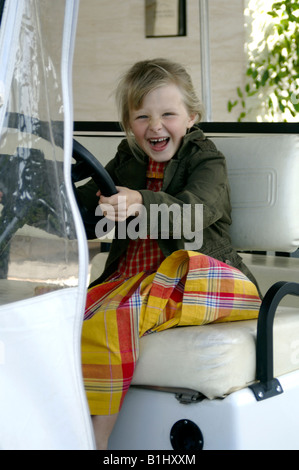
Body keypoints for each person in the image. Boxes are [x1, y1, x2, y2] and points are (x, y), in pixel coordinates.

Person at [78, 58, 261, 449]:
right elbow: (90, 200)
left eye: (168, 114)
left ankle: (96, 442)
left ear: (191, 117)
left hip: (209, 277)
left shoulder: (206, 160)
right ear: (129, 124)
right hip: (140, 285)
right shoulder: (127, 160)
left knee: (114, 316)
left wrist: (139, 202)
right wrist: (45, 195)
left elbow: (194, 214)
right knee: (66, 314)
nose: (155, 125)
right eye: (142, 116)